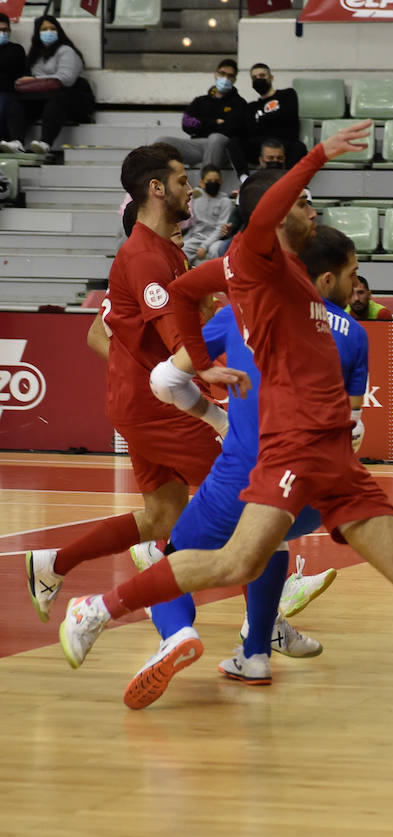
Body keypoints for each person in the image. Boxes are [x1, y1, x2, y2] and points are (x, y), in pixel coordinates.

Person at [57, 122, 393, 726]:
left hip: (335, 459)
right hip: (290, 449)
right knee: (235, 564)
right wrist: (318, 155)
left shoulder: (294, 272)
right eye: (302, 203)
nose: (311, 209)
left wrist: (194, 354)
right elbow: (205, 272)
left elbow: (183, 288)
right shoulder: (255, 254)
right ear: (272, 216)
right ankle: (98, 608)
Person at [123, 227, 367, 708]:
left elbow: (164, 381)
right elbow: (355, 432)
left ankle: (177, 635)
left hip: (249, 474)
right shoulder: (355, 334)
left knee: (171, 563)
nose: (356, 284)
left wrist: (216, 418)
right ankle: (255, 655)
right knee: (270, 538)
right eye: (352, 274)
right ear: (324, 280)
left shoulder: (240, 315)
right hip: (317, 494)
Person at [25, 144, 247, 623]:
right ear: (157, 188)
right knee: (243, 490)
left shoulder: (167, 251)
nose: (192, 189)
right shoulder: (144, 256)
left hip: (146, 402)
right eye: (183, 181)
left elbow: (157, 328)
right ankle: (268, 616)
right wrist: (203, 364)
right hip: (156, 407)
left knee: (163, 518)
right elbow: (169, 334)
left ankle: (53, 564)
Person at [1, 15, 94, 157]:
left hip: (71, 100)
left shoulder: (66, 51)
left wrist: (34, 79)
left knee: (56, 98)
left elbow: (66, 79)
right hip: (43, 98)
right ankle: (17, 142)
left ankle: (45, 143)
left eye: (52, 29)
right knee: (16, 102)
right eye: (44, 29)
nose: (48, 32)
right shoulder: (35, 55)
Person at [153, 59, 248, 177]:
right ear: (216, 74)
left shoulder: (239, 103)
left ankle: (204, 185)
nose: (225, 78)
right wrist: (215, 122)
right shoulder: (200, 101)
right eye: (222, 73)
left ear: (234, 80)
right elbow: (187, 123)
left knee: (216, 138)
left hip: (222, 148)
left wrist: (201, 124)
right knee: (162, 141)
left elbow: (233, 128)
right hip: (197, 145)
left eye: (230, 76)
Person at [244, 63, 305, 169]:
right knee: (235, 143)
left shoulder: (287, 94)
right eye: (254, 78)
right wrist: (275, 118)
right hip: (261, 146)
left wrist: (261, 122)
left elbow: (289, 118)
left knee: (299, 147)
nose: (258, 79)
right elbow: (250, 131)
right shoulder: (251, 107)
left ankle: (288, 178)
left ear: (271, 77)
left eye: (262, 75)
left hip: (285, 144)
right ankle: (244, 177)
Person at [181, 166, 236, 264]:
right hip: (195, 237)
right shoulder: (196, 197)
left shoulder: (225, 202)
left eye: (216, 181)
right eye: (209, 181)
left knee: (214, 250)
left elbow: (220, 228)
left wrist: (204, 246)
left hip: (215, 239)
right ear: (202, 183)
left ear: (221, 182)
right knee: (181, 250)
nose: (213, 183)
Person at [0, 14, 25, 152]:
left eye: (5, 30)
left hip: (7, 92)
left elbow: (13, 73)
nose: (2, 33)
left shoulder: (16, 49)